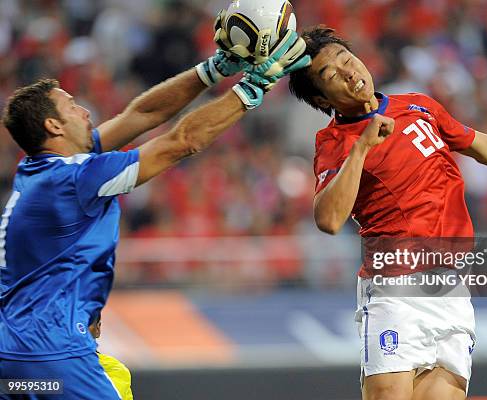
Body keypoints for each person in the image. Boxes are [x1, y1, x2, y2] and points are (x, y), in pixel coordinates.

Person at [276, 26, 487, 400]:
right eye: (332, 74)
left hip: (452, 287)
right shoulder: (334, 143)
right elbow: (329, 219)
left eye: (347, 59)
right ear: (322, 101)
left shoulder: (418, 105)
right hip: (395, 285)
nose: (349, 72)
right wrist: (363, 146)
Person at [0, 13, 310, 399]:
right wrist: (254, 85)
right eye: (72, 107)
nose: (85, 111)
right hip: (51, 351)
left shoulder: (40, 171)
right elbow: (180, 142)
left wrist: (213, 70)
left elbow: (141, 115)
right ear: (53, 127)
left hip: (14, 358)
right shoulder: (75, 178)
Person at [88, 314, 133, 400]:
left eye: (85, 323)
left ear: (97, 329)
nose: (77, 331)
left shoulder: (112, 370)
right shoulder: (55, 369)